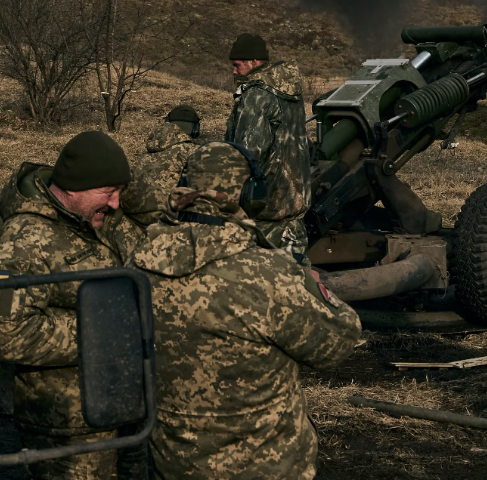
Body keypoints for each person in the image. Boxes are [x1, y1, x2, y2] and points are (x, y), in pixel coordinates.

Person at [129, 142, 361, 480]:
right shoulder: (266, 273)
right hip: (266, 468)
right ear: (250, 195)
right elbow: (340, 340)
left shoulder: (138, 262)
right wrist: (310, 284)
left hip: (172, 463)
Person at [0, 130, 147, 480]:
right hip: (70, 423)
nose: (117, 203)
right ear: (74, 187)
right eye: (108, 192)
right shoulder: (23, 239)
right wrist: (106, 332)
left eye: (120, 191)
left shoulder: (107, 221)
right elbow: (10, 333)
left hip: (129, 407)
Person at [225, 32, 312, 257]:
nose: (233, 71)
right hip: (294, 204)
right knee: (298, 278)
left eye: (237, 65)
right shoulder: (290, 92)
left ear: (254, 62)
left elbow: (247, 154)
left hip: (265, 209)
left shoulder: (256, 96)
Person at [121, 104, 201, 226]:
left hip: (136, 223)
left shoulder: (146, 155)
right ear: (195, 129)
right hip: (172, 225)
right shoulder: (197, 153)